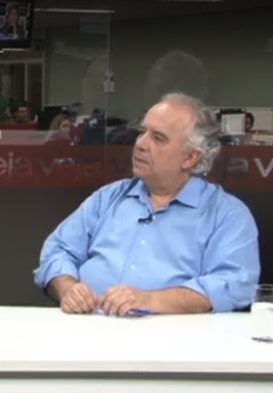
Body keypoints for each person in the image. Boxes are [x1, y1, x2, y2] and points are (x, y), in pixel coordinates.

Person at [34, 92, 259, 316]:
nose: (140, 144)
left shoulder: (227, 215)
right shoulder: (107, 198)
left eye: (158, 138)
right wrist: (67, 289)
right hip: (86, 327)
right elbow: (58, 250)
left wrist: (150, 300)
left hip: (171, 335)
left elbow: (233, 283)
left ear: (190, 157)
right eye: (142, 132)